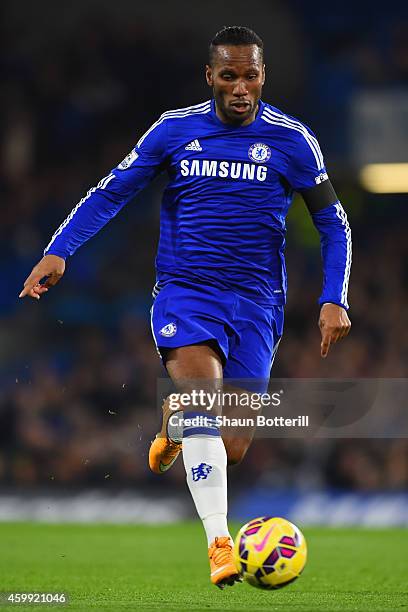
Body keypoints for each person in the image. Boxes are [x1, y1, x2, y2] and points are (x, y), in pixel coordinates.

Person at [19, 26, 351, 588]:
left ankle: (174, 427)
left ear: (262, 76)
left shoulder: (294, 141)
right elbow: (110, 191)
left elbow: (332, 222)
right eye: (229, 75)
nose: (241, 87)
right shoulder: (174, 131)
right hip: (186, 293)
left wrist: (333, 298)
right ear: (210, 77)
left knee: (234, 446)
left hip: (258, 305)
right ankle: (219, 542)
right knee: (203, 404)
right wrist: (59, 251)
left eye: (250, 75)